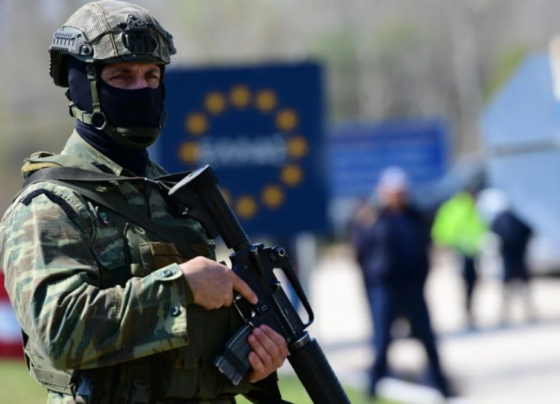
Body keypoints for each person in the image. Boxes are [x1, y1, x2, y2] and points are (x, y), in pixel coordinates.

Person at [0, 2, 289, 403]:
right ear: (83, 86)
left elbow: (186, 351)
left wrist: (254, 363)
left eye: (151, 75)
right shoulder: (51, 204)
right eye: (122, 76)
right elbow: (59, 332)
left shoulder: (170, 196)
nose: (141, 89)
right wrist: (181, 287)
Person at [353, 167, 451, 400]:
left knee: (427, 339)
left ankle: (442, 386)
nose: (398, 197)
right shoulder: (373, 219)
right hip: (385, 289)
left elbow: (425, 248)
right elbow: (362, 253)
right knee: (381, 341)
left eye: (401, 192)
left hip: (413, 288)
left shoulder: (416, 218)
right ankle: (372, 388)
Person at [431, 187, 487, 329]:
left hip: (471, 251)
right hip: (457, 250)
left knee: (470, 281)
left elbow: (479, 227)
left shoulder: (470, 209)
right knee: (458, 282)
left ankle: (468, 309)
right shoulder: (457, 208)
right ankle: (460, 311)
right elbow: (445, 228)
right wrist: (445, 245)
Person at [491, 207, 535, 324]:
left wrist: (523, 244)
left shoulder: (521, 215)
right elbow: (494, 231)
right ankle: (505, 311)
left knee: (524, 286)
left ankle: (528, 310)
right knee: (507, 287)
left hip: (519, 255)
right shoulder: (502, 217)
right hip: (508, 256)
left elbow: (530, 230)